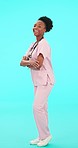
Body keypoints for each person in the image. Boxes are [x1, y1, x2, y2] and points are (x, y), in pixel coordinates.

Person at [20, 16, 55, 147]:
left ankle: (46, 135)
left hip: (46, 80)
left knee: (37, 107)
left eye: (39, 26)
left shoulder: (44, 44)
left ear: (45, 29)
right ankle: (42, 136)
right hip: (37, 81)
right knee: (43, 108)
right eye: (35, 25)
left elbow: (38, 65)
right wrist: (28, 62)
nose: (36, 27)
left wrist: (26, 62)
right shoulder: (33, 44)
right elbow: (21, 62)